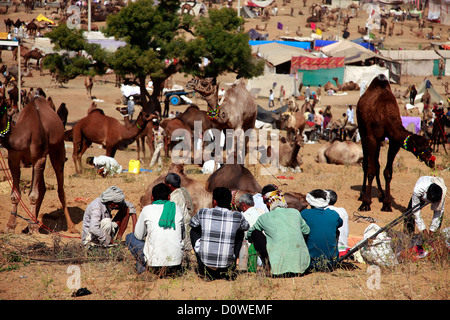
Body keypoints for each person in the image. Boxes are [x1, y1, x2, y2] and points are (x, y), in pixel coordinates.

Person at [246, 185, 310, 277]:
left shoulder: (264, 218)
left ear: (268, 203)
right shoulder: (295, 212)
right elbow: (307, 231)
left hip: (277, 269)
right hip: (302, 268)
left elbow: (249, 234)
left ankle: (268, 267)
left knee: (256, 233)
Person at [189, 187, 250, 280]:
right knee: (240, 232)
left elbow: (192, 223)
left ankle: (202, 264)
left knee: (194, 230)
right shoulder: (237, 216)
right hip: (226, 266)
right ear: (230, 202)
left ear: (214, 202)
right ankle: (232, 265)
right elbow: (246, 226)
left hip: (205, 265)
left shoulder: (203, 212)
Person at [126, 183, 185, 275]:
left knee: (130, 237)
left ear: (152, 197)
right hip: (176, 263)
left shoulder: (147, 210)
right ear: (169, 197)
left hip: (154, 263)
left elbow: (138, 235)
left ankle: (143, 269)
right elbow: (182, 235)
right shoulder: (177, 209)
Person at [301, 189, 343, 272]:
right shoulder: (333, 214)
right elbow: (340, 223)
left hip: (310, 263)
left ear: (309, 202)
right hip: (331, 263)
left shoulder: (305, 214)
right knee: (336, 231)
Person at [164, 173, 194, 253]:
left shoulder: (174, 198)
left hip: (182, 237)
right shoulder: (182, 191)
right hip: (189, 230)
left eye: (165, 183)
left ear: (169, 185)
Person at [236, 193, 266, 272]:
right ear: (254, 204)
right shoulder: (262, 212)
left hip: (250, 255)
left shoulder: (243, 217)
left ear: (243, 205)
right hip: (266, 255)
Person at [325, 190, 349, 256]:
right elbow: (346, 233)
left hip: (330, 251)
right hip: (343, 249)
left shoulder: (323, 212)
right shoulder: (343, 211)